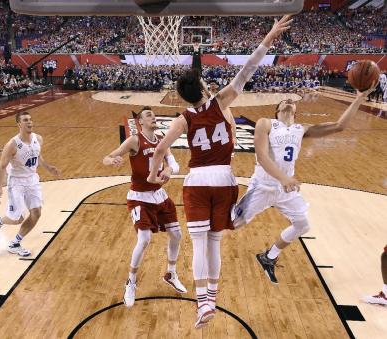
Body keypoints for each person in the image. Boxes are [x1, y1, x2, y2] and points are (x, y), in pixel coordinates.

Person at [147, 15, 293, 329]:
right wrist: (268, 37)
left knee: (199, 244)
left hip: (197, 180)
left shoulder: (182, 117)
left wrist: (152, 175)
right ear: (202, 87)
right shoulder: (221, 102)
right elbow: (248, 68)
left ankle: (203, 305)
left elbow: (160, 151)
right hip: (224, 179)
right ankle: (213, 295)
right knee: (215, 241)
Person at [233, 86, 376, 284]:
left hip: (287, 190)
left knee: (302, 224)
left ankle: (269, 256)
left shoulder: (302, 129)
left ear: (296, 112)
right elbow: (262, 157)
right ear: (278, 109)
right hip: (264, 186)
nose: (290, 102)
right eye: (285, 101)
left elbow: (339, 125)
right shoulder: (266, 123)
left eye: (293, 102)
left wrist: (359, 98)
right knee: (232, 224)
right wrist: (284, 179)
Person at [103, 106, 187, 308]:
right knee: (144, 239)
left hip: (159, 195)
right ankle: (131, 281)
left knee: (177, 235)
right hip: (140, 197)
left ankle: (171, 273)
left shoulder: (161, 140)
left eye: (153, 114)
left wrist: (168, 168)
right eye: (148, 115)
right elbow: (106, 157)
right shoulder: (134, 140)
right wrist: (112, 159)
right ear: (140, 122)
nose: (153, 117)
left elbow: (175, 164)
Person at [0, 111, 60, 257]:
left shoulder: (38, 138)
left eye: (31, 119)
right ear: (19, 124)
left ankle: (15, 243)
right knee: (16, 219)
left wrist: (48, 167)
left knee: (36, 213)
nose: (29, 122)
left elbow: (37, 155)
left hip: (32, 179)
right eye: (25, 120)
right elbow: (1, 167)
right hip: (17, 182)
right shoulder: (12, 145)